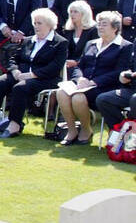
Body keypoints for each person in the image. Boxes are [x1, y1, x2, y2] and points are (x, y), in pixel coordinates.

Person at [0, 7, 66, 138]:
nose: (36, 26)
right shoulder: (28, 40)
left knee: (20, 88)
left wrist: (33, 75)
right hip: (21, 75)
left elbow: (55, 66)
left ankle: (15, 124)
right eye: (34, 23)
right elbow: (13, 58)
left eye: (39, 23)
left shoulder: (60, 42)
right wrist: (15, 70)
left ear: (49, 24)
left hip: (45, 78)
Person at [56, 10, 132, 146]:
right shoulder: (91, 43)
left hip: (105, 88)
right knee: (61, 92)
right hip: (83, 85)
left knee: (78, 98)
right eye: (99, 24)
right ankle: (72, 130)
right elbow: (80, 66)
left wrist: (94, 82)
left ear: (115, 28)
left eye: (104, 24)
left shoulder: (125, 46)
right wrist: (80, 79)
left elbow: (119, 72)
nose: (100, 27)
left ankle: (86, 130)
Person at [61, 0, 98, 74]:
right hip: (68, 66)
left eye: (75, 12)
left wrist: (77, 62)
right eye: (71, 12)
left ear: (84, 14)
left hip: (86, 67)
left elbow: (92, 52)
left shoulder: (94, 30)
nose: (72, 14)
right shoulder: (68, 30)